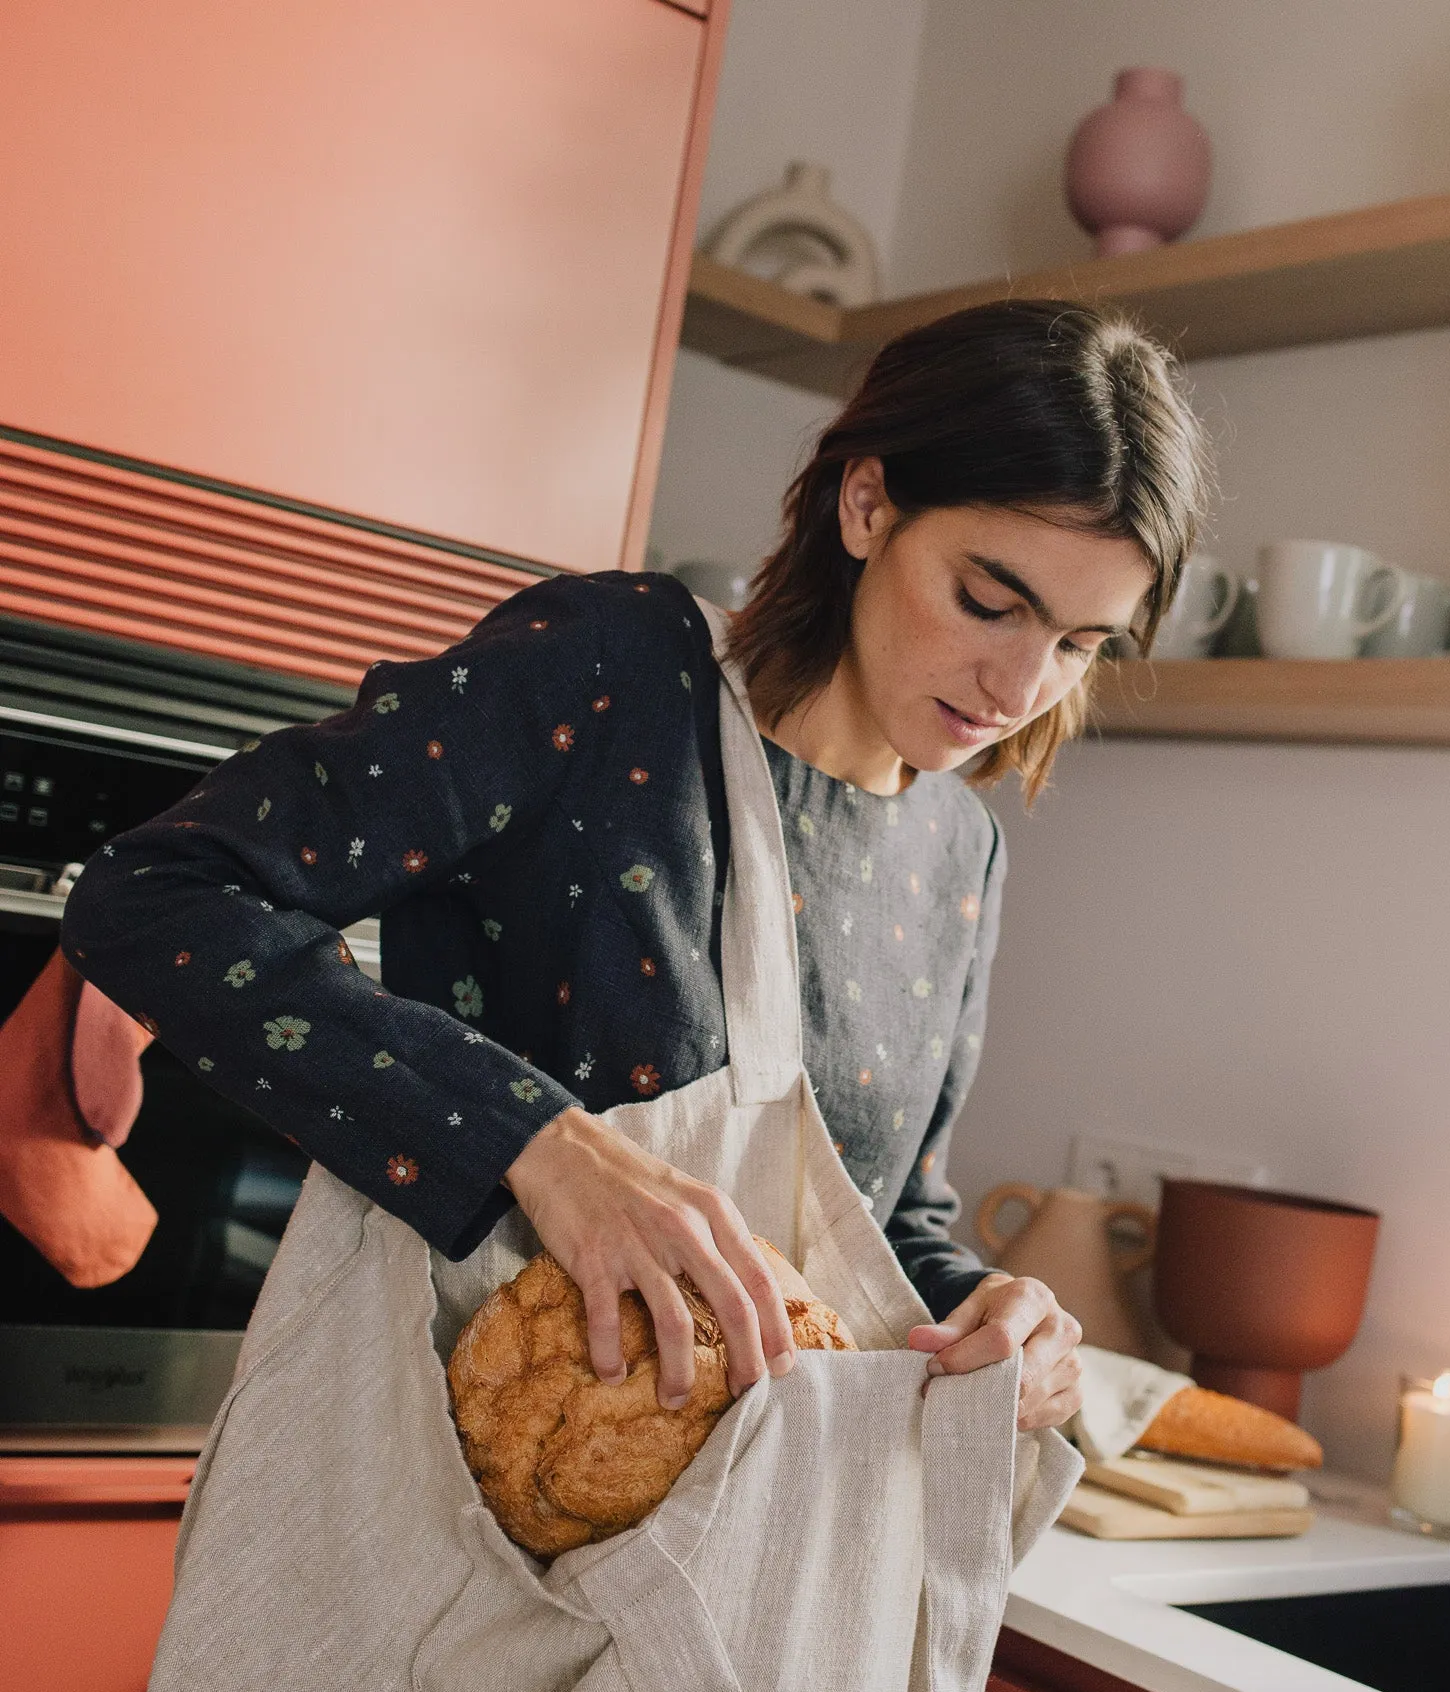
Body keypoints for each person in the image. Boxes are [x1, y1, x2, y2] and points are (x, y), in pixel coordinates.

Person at [62, 298, 1210, 1433]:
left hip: (729, 1569)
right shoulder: (610, 674)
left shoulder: (962, 852)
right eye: (988, 601)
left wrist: (995, 1315)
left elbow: (887, 1215)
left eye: (1077, 645)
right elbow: (155, 891)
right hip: (447, 1478)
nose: (1018, 691)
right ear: (866, 504)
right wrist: (533, 1141)